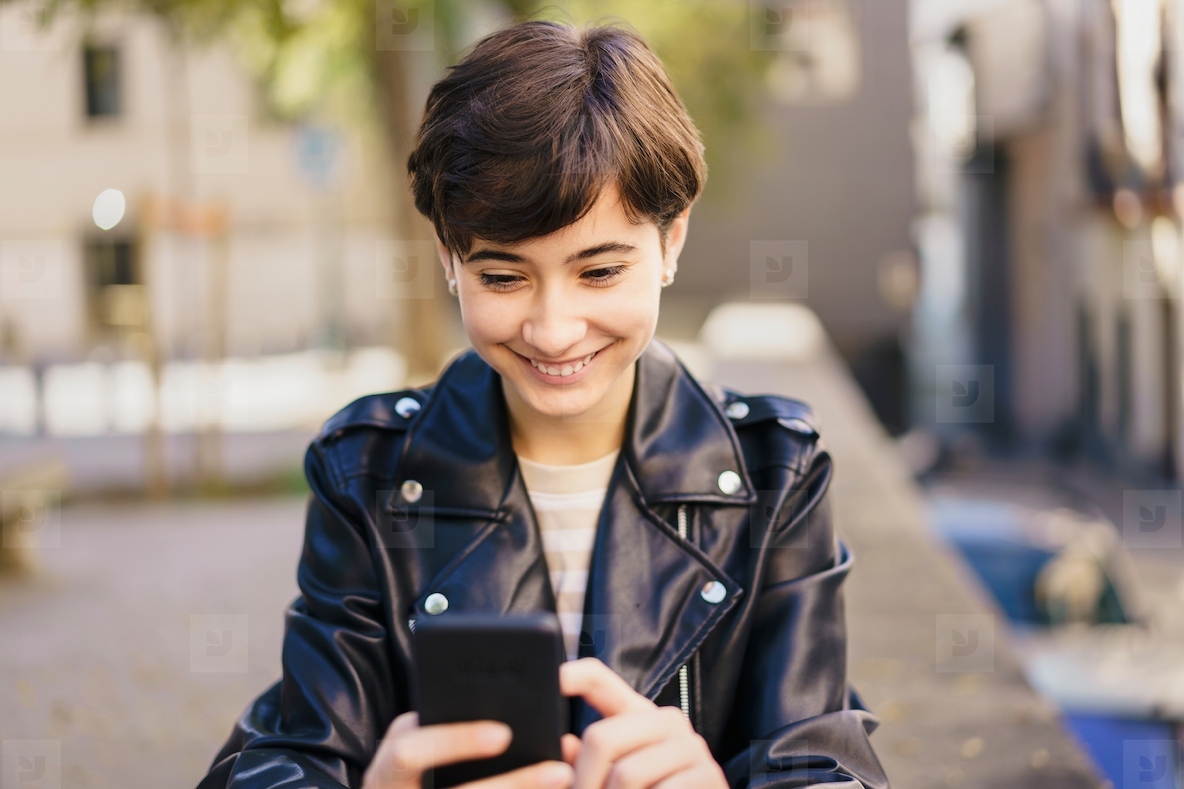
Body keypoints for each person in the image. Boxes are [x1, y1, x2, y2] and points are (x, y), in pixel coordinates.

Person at [196, 18, 889, 789]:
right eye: (503, 277)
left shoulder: (775, 472)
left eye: (598, 273)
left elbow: (819, 759)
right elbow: (292, 750)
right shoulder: (365, 471)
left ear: (672, 242)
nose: (554, 331)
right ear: (450, 261)